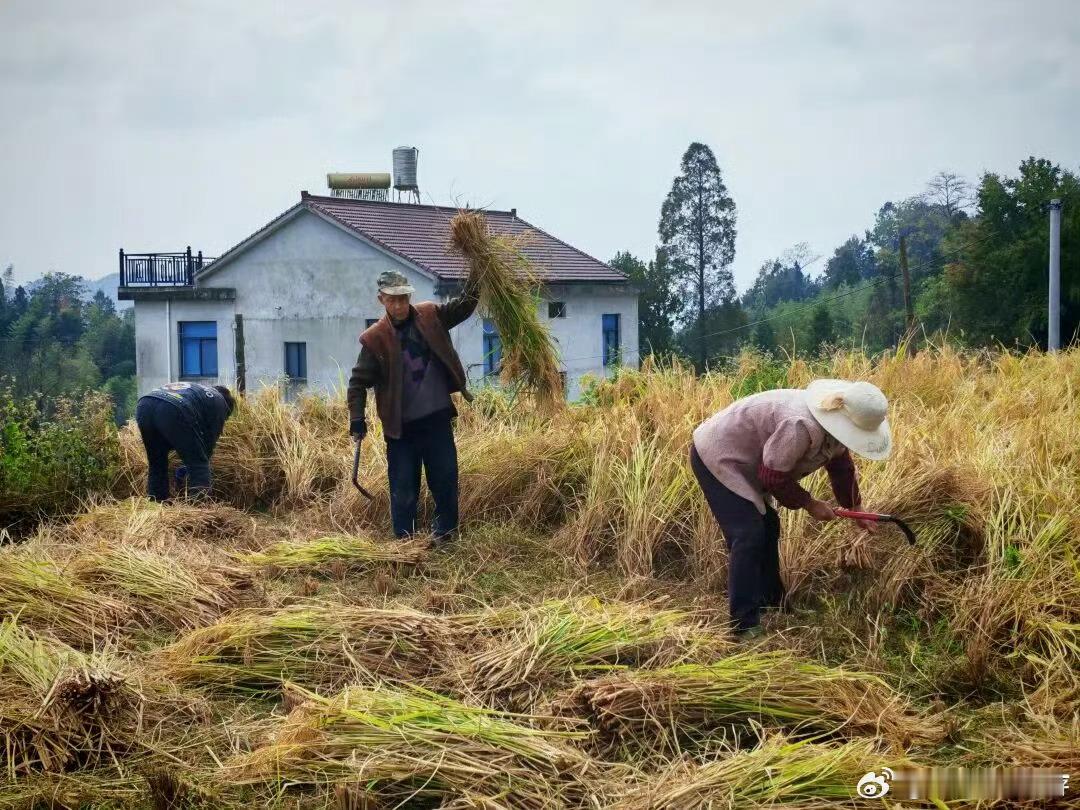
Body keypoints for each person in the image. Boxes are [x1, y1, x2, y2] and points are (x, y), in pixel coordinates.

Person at [690, 379, 892, 640]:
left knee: (769, 527)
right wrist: (809, 504)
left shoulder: (836, 429)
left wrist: (856, 507)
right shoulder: (800, 425)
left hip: (749, 461)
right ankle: (743, 625)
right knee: (748, 535)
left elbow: (841, 468)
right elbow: (772, 477)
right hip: (718, 455)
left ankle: (772, 602)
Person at [347, 267, 480, 547]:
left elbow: (465, 305)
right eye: (393, 299)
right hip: (401, 430)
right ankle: (404, 544)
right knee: (404, 488)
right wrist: (357, 419)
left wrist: (478, 271)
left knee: (445, 481)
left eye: (404, 298)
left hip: (436, 420)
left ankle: (445, 536)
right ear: (381, 299)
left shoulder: (431, 315)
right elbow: (357, 383)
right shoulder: (375, 339)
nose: (399, 305)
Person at [134, 381, 236, 502]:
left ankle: (156, 504)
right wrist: (193, 467)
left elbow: (174, 436)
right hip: (173, 408)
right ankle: (199, 508)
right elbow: (207, 446)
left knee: (157, 462)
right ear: (227, 408)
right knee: (199, 464)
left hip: (145, 405)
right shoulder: (219, 402)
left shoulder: (197, 390)